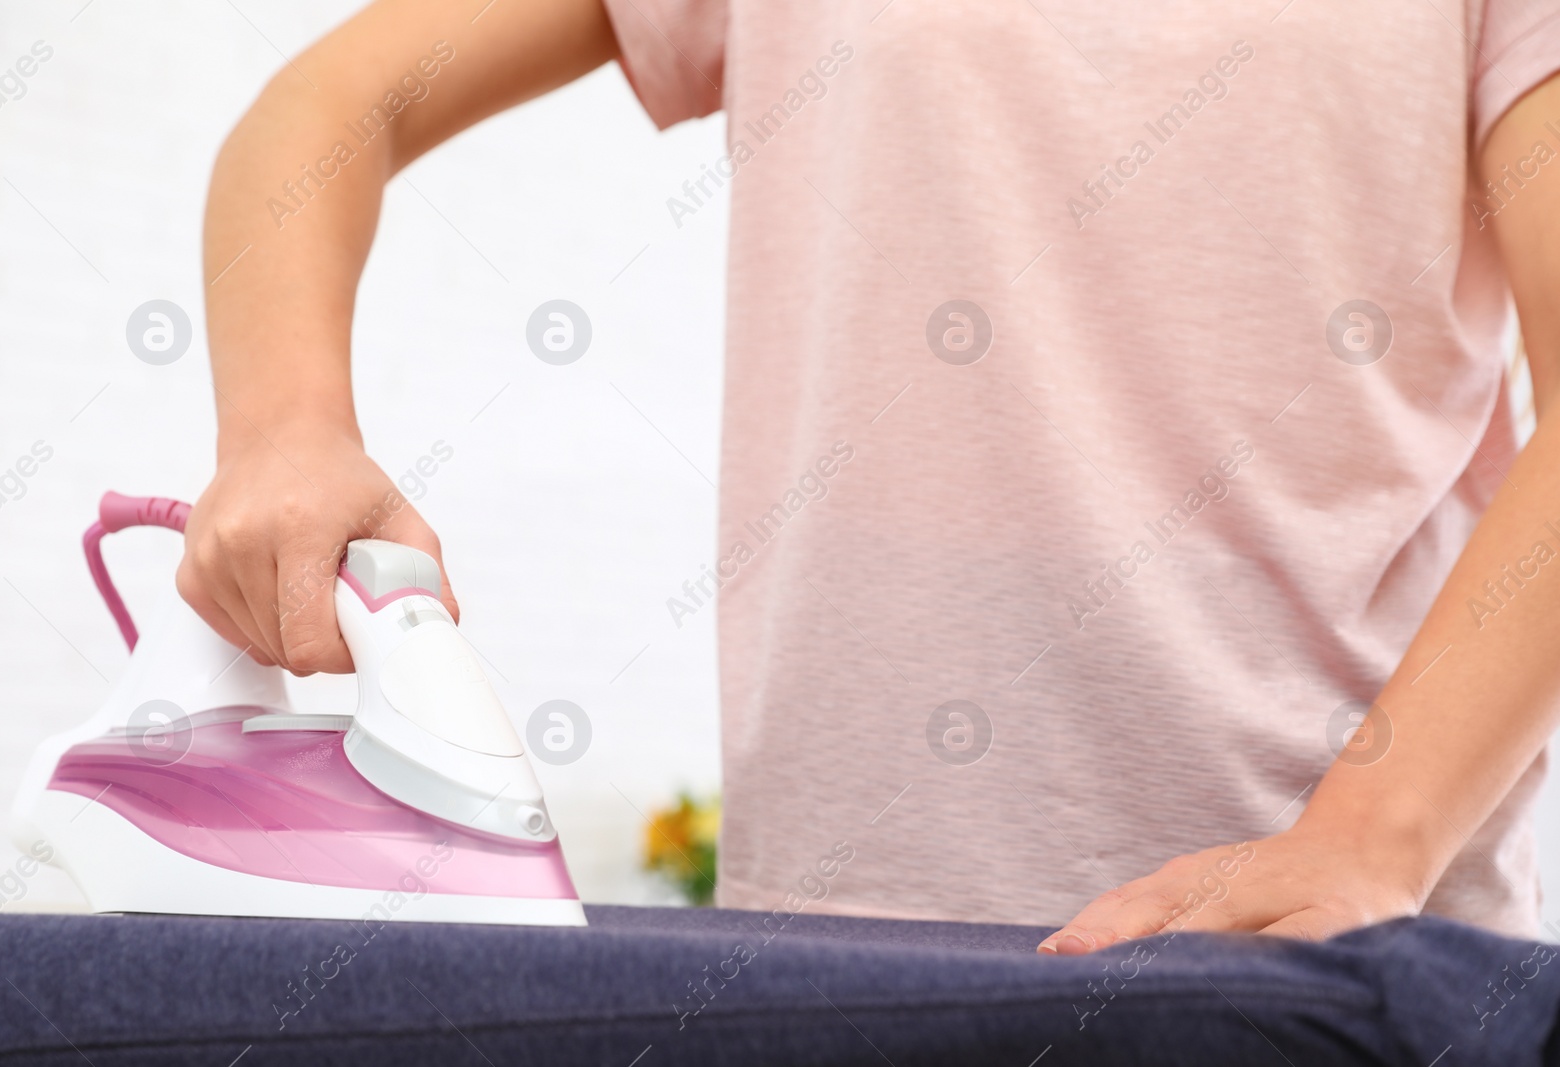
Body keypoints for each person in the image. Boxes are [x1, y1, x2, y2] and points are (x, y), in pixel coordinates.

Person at [181, 0, 1560, 953]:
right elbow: (323, 106)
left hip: (1338, 951)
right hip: (837, 950)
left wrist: (1366, 839)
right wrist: (286, 431)